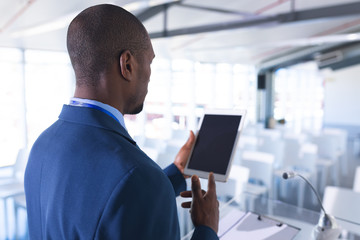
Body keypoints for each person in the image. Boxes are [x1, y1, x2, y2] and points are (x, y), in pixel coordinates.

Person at [24, 4, 219, 240]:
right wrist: (206, 228)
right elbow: (126, 190)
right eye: (149, 62)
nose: (149, 75)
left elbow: (98, 204)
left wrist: (178, 172)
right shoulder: (138, 177)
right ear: (127, 64)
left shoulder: (42, 145)